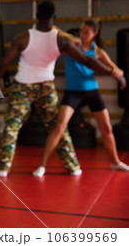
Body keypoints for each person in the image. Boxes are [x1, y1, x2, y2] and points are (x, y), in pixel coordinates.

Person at [0, 1, 126, 178]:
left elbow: (4, 63)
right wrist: (114, 73)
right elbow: (87, 60)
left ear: (36, 16)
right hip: (46, 86)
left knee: (12, 126)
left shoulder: (22, 37)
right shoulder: (61, 39)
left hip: (22, 86)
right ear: (54, 18)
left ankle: (2, 168)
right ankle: (73, 166)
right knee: (57, 127)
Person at [33, 18, 129, 177]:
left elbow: (114, 68)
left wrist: (120, 74)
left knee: (107, 129)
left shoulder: (98, 51)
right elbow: (58, 31)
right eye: (81, 31)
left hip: (92, 91)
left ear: (94, 34)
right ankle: (42, 166)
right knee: (60, 126)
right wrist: (47, 23)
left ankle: (115, 162)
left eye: (86, 32)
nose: (82, 35)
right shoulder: (73, 43)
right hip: (73, 92)